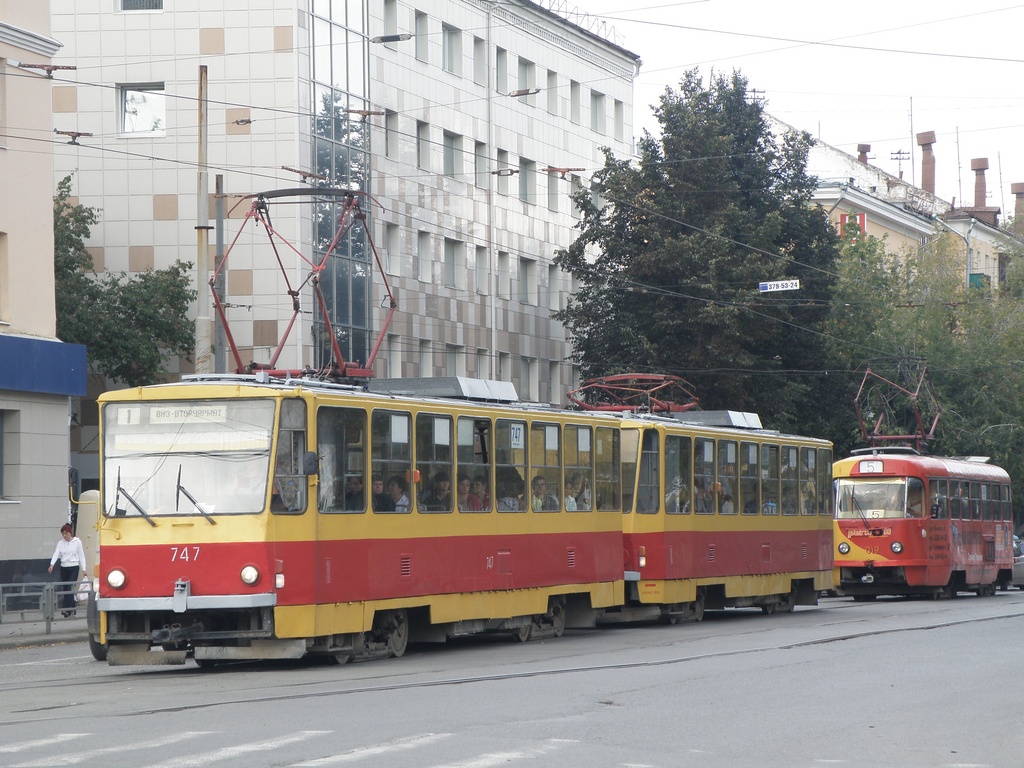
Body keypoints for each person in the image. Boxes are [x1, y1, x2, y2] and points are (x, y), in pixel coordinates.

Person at [48, 523, 86, 617]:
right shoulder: (60, 543)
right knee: (66, 588)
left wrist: (84, 569)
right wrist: (52, 564)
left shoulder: (77, 542)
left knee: (69, 586)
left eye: (66, 533)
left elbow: (81, 555)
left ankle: (66, 609)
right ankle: (72, 607)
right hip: (64, 567)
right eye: (63, 534)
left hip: (74, 567)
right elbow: (56, 553)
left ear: (70, 533)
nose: (64, 536)